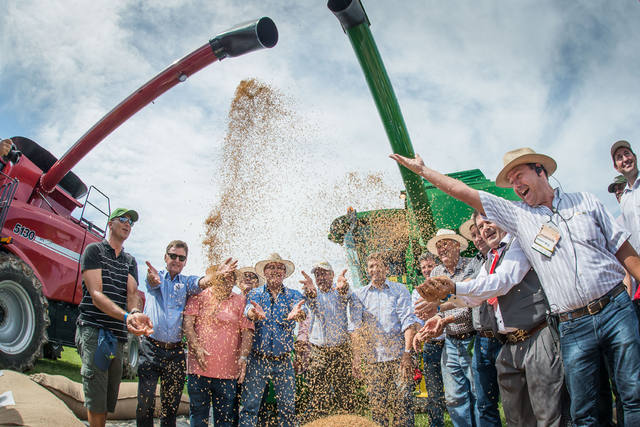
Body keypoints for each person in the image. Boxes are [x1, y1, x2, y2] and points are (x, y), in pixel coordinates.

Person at [391, 147, 640, 425]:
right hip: (572, 325)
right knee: (586, 410)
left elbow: (622, 247)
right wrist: (424, 172)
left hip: (614, 308)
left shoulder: (586, 201)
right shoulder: (522, 219)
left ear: (540, 170)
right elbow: (466, 194)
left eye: (519, 175)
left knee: (633, 394)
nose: (516, 185)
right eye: (511, 181)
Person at [419, 214, 570, 426]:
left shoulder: (518, 244)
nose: (485, 229)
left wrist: (451, 289)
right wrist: (439, 310)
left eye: (488, 222)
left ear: (503, 220)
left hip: (536, 336)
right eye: (480, 227)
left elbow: (501, 281)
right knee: (516, 417)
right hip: (509, 344)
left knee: (549, 414)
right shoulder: (490, 259)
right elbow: (475, 296)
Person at [136, 241, 236, 427]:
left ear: (185, 261)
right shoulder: (155, 276)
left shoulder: (186, 283)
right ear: (165, 257)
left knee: (171, 405)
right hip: (150, 347)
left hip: (174, 352)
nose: (176, 260)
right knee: (145, 401)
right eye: (173, 256)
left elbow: (201, 282)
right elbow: (151, 282)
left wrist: (215, 276)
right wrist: (152, 280)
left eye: (181, 258)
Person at [76, 208, 153, 427]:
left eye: (131, 222)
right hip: (94, 330)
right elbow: (96, 294)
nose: (128, 224)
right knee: (96, 400)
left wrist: (136, 314)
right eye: (123, 219)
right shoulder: (94, 251)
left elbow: (131, 295)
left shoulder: (130, 261)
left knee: (109, 399)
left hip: (117, 337)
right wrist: (126, 316)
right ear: (110, 223)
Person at [349, 252, 420, 427]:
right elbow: (356, 328)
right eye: (371, 266)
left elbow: (408, 323)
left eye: (378, 265)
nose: (375, 269)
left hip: (398, 358)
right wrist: (357, 358)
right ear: (367, 271)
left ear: (386, 268)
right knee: (377, 408)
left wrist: (407, 354)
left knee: (403, 405)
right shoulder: (359, 295)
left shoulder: (399, 290)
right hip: (373, 360)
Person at [239, 253, 307, 427]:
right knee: (249, 407)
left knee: (287, 409)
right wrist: (252, 313)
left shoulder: (293, 295)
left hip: (283, 361)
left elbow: (303, 310)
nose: (276, 270)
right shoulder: (255, 293)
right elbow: (248, 309)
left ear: (284, 273)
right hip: (257, 359)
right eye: (271, 267)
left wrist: (299, 314)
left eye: (279, 268)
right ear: (264, 272)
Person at [183, 267, 254, 427]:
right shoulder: (198, 295)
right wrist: (196, 347)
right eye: (222, 276)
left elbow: (247, 332)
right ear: (214, 277)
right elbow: (188, 324)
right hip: (198, 370)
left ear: (235, 281)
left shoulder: (241, 301)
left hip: (227, 373)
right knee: (198, 417)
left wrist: (243, 357)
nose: (226, 280)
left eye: (231, 277)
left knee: (224, 420)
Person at [424, 229, 477, 427]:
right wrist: (438, 317)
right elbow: (441, 305)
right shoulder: (437, 272)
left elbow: (469, 303)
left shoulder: (471, 265)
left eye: (445, 244)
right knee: (454, 398)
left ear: (457, 245)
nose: (441, 249)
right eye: (438, 246)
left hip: (472, 339)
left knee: (477, 395)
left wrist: (443, 318)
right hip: (451, 341)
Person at [298, 260, 358, 421]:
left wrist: (344, 288)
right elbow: (304, 307)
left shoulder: (340, 290)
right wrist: (309, 294)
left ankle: (348, 422)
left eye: (324, 273)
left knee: (345, 394)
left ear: (332, 274)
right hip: (318, 351)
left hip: (341, 349)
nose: (321, 277)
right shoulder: (311, 293)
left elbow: (346, 293)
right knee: (319, 395)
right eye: (317, 274)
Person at [460, 215, 502, 427]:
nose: (477, 239)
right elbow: (462, 292)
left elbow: (471, 288)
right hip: (482, 338)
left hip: (504, 338)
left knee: (516, 399)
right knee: (485, 403)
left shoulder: (503, 256)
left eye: (479, 233)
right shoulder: (475, 262)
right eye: (474, 235)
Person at [411, 252, 445, 427]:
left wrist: (436, 307)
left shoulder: (445, 285)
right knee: (434, 391)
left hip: (450, 342)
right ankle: (436, 424)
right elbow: (416, 319)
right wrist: (418, 333)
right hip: (431, 345)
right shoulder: (417, 293)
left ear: (436, 266)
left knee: (457, 390)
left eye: (430, 266)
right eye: (423, 267)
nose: (426, 270)